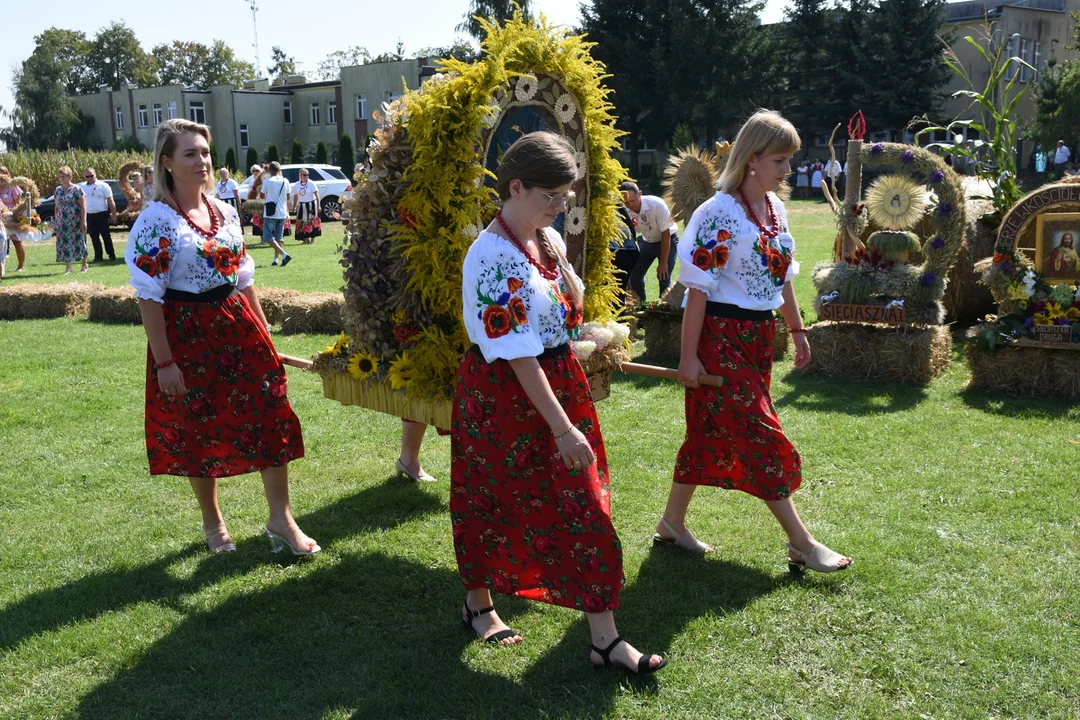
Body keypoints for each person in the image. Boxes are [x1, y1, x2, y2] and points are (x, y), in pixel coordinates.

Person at [451, 131, 665, 675]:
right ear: (515, 187)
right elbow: (518, 354)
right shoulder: (490, 254)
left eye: (566, 196)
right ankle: (478, 605)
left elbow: (558, 316)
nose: (559, 205)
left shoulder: (547, 241)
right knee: (490, 500)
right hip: (506, 396)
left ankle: (605, 640)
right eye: (551, 196)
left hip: (553, 383)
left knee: (581, 503)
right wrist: (563, 429)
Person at [654, 109, 853, 575]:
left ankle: (671, 524)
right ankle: (801, 541)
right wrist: (687, 359)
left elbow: (781, 276)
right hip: (719, 337)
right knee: (759, 435)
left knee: (705, 434)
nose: (788, 170)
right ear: (752, 159)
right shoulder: (718, 212)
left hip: (759, 338)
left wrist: (798, 328)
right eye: (780, 160)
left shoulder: (774, 208)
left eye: (789, 160)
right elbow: (697, 290)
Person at [125, 118, 318, 556]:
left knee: (271, 407)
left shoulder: (225, 211)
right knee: (197, 425)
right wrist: (165, 362)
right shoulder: (155, 220)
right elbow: (149, 298)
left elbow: (244, 277)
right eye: (190, 153)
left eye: (205, 152)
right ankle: (214, 524)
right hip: (186, 332)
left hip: (236, 322)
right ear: (167, 163)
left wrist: (263, 328)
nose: (202, 161)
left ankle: (281, 519)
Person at [620, 181, 678, 302]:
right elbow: (627, 235)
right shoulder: (624, 210)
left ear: (640, 194)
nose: (630, 205)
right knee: (635, 277)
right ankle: (641, 305)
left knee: (664, 277)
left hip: (668, 241)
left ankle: (664, 311)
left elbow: (665, 235)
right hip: (648, 241)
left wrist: (663, 263)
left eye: (633, 201)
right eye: (626, 202)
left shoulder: (657, 205)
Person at [53, 166, 88, 274]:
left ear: (70, 176)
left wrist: (83, 221)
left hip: (75, 221)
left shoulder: (76, 189)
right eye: (60, 177)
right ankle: (68, 267)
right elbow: (56, 206)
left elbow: (83, 206)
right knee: (64, 243)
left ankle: (84, 264)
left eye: (64, 176)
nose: (61, 179)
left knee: (80, 241)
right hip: (62, 222)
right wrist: (56, 220)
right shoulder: (58, 190)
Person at [80, 167, 117, 262]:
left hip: (102, 214)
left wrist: (113, 215)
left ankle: (111, 254)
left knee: (106, 235)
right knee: (94, 236)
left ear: (95, 174)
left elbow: (110, 201)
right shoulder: (82, 187)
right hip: (90, 215)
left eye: (91, 176)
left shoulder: (103, 186)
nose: (89, 178)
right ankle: (98, 256)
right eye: (87, 176)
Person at [260, 162, 293, 266]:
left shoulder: (267, 181)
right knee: (279, 237)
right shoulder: (285, 180)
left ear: (270, 170)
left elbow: (261, 195)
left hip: (270, 212)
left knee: (267, 236)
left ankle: (284, 255)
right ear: (279, 170)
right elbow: (288, 196)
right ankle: (275, 260)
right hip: (282, 211)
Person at [0, 171, 27, 272]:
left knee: (17, 242)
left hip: (12, 218)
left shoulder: (12, 187)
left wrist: (12, 215)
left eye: (2, 173)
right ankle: (1, 268)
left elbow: (18, 204)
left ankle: (21, 266)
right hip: (0, 221)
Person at [290, 167, 322, 243]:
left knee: (312, 221)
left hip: (311, 204)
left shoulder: (311, 183)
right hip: (301, 205)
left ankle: (313, 238)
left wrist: (318, 205)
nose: (306, 176)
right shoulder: (297, 184)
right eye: (304, 175)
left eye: (307, 175)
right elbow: (296, 196)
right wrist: (294, 206)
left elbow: (317, 195)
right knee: (302, 221)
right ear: (300, 175)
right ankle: (305, 238)